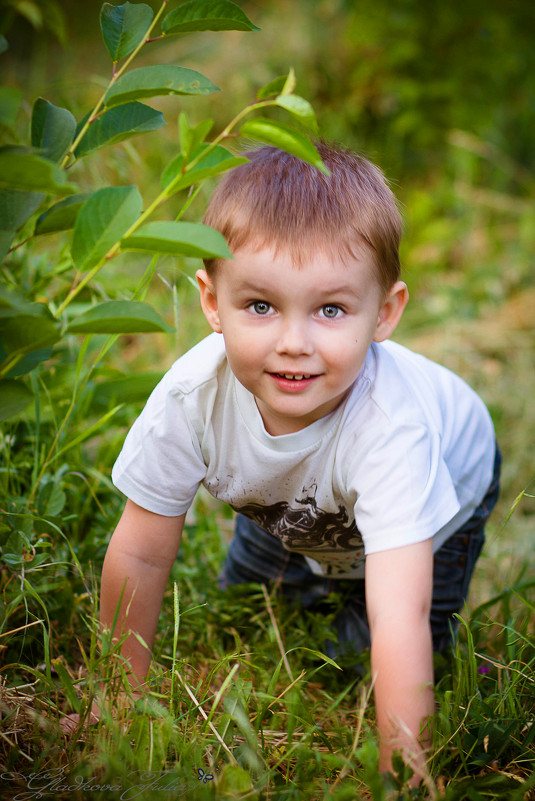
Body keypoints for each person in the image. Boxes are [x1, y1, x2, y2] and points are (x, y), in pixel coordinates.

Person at [102, 142, 500, 782]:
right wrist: (118, 696)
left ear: (385, 312)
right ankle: (308, 572)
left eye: (331, 309)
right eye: (260, 305)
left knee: (361, 650)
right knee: (247, 613)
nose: (294, 343)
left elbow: (398, 612)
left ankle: (346, 602)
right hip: (285, 508)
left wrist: (403, 775)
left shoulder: (393, 430)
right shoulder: (189, 398)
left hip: (452, 485)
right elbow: (141, 553)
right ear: (212, 301)